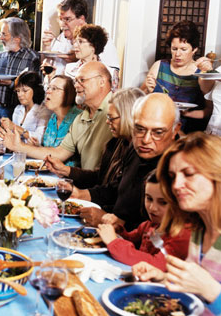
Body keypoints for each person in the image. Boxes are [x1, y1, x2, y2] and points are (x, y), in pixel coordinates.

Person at [132, 133, 221, 316]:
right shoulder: (199, 229)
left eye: (188, 174)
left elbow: (210, 291)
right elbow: (197, 295)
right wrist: (165, 277)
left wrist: (213, 292)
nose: (176, 185)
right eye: (172, 176)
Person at [72, 93, 181, 230]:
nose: (146, 139)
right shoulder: (136, 148)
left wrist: (111, 222)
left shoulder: (178, 169)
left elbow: (160, 232)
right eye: (140, 129)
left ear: (175, 130)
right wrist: (81, 194)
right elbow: (117, 189)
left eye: (157, 132)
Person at [0, 61, 113, 170]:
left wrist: (21, 144)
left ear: (101, 81)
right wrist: (21, 146)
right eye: (76, 81)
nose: (77, 85)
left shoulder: (115, 109)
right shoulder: (78, 118)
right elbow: (59, 153)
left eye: (82, 80)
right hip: (75, 181)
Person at [46, 88, 144, 208]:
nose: (107, 122)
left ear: (129, 117)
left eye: (111, 118)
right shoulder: (115, 143)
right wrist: (65, 170)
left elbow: (119, 195)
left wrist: (83, 195)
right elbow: (100, 177)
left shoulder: (140, 152)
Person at [97, 170, 191, 271]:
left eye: (163, 202)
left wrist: (114, 242)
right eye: (149, 198)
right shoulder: (150, 225)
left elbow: (156, 264)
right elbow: (129, 238)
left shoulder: (183, 234)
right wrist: (118, 231)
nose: (152, 207)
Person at [141, 20, 214, 133]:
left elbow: (208, 111)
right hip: (158, 127)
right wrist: (147, 91)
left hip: (189, 132)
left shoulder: (201, 73)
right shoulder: (159, 66)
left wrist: (187, 113)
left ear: (194, 49)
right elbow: (139, 101)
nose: (177, 54)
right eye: (174, 49)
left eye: (183, 49)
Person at [41, 0, 120, 76]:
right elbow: (48, 68)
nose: (62, 24)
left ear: (81, 19)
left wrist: (80, 59)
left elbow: (112, 73)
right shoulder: (60, 39)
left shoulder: (99, 38)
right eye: (60, 19)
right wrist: (46, 48)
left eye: (67, 19)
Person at [0, 17, 40, 122]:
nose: (0, 38)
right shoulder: (0, 56)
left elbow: (35, 89)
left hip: (15, 112)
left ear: (17, 38)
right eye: (0, 34)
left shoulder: (33, 58)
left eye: (4, 34)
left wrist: (11, 84)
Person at [40, 75, 81, 165]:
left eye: (54, 89)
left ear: (68, 93)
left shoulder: (78, 118)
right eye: (48, 87)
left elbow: (60, 155)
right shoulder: (53, 118)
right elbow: (49, 150)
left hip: (69, 177)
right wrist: (37, 147)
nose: (48, 91)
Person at [0, 71, 51, 144]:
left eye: (25, 91)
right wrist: (7, 129)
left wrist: (15, 127)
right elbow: (13, 136)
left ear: (35, 90)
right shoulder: (18, 109)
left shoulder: (43, 111)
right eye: (18, 91)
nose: (20, 94)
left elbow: (39, 139)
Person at [64, 24, 119, 91]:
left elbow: (113, 99)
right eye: (75, 41)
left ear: (93, 46)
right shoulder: (68, 69)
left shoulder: (110, 73)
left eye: (80, 41)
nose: (75, 45)